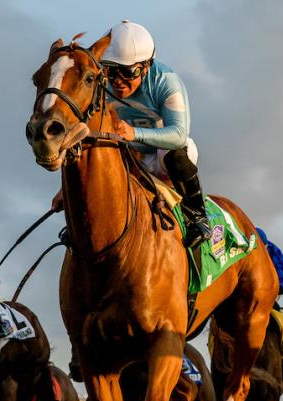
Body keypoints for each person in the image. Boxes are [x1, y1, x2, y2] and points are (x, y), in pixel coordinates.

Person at [51, 21, 210, 248]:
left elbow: (179, 134)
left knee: (175, 153)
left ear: (146, 66)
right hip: (130, 157)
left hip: (163, 155)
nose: (118, 81)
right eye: (110, 71)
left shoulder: (165, 81)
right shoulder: (101, 86)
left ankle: (198, 215)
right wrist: (64, 190)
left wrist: (134, 133)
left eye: (127, 72)